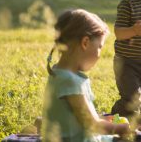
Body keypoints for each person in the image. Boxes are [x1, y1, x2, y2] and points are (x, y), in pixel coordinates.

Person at [42, 9, 130, 142]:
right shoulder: (70, 81)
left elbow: (79, 117)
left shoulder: (58, 72)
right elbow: (92, 125)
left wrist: (104, 119)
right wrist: (121, 129)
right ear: (85, 43)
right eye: (99, 47)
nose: (100, 53)